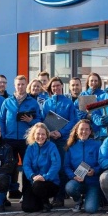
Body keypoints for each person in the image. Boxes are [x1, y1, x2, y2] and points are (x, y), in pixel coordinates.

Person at [0, 75, 42, 199]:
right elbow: (1, 120)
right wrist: (3, 135)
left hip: (26, 140)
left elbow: (39, 121)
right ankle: (12, 191)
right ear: (14, 85)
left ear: (26, 85)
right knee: (10, 167)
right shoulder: (7, 101)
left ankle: (26, 193)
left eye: (23, 84)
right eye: (18, 84)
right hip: (10, 139)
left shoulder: (32, 102)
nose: (20, 86)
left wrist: (30, 121)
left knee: (27, 166)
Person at [42, 76, 78, 207]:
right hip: (50, 140)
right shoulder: (47, 103)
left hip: (63, 140)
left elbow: (73, 121)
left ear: (62, 86)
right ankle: (50, 196)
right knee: (51, 167)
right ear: (51, 88)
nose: (56, 88)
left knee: (62, 168)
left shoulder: (68, 103)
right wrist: (49, 133)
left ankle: (60, 197)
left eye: (58, 85)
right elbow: (43, 120)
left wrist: (61, 132)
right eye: (53, 86)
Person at [63, 120, 102, 213]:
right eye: (81, 129)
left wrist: (94, 170)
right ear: (76, 131)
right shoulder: (71, 146)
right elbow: (66, 166)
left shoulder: (97, 145)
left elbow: (102, 164)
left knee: (90, 209)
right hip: (78, 181)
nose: (84, 131)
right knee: (69, 187)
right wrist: (73, 176)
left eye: (86, 129)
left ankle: (97, 198)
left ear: (90, 131)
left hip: (93, 182)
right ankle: (78, 201)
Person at [21, 123, 61, 213]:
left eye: (43, 134)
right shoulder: (30, 147)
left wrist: (45, 177)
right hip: (34, 180)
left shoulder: (52, 146)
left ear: (47, 135)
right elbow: (26, 165)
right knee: (27, 208)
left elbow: (56, 165)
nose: (40, 136)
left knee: (38, 186)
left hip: (50, 182)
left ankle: (45, 202)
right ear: (34, 135)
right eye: (38, 134)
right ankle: (39, 202)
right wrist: (32, 176)